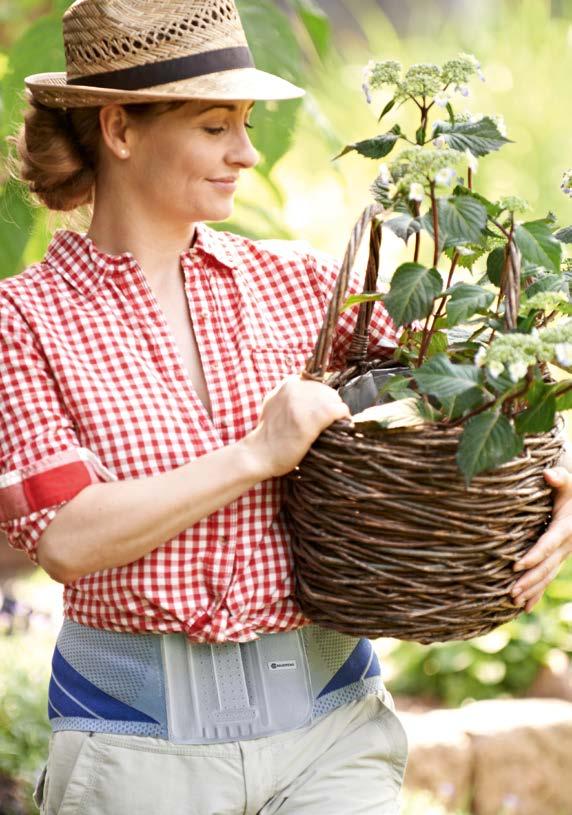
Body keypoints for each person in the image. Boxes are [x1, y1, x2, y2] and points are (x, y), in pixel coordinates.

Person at [1, 1, 570, 814]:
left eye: (245, 122)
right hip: (135, 751)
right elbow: (66, 537)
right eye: (213, 127)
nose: (245, 151)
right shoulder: (24, 319)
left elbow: (483, 381)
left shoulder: (302, 286)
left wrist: (561, 468)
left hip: (333, 736)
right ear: (121, 129)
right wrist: (254, 456)